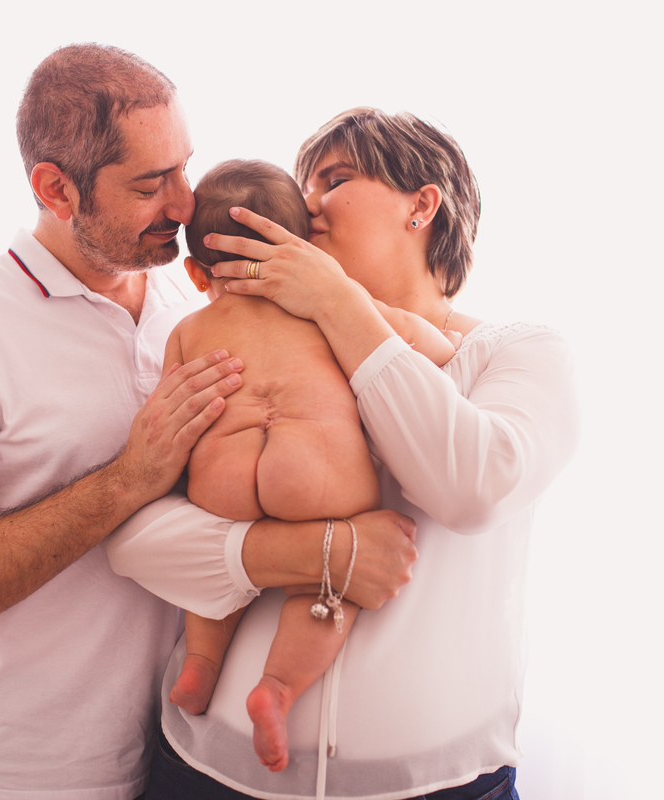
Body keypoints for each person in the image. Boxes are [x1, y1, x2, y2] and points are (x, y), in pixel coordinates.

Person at [106, 108, 580, 800]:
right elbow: (134, 540)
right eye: (304, 188)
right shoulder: (231, 341)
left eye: (335, 178)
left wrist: (338, 304)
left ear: (422, 204)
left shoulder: (519, 353)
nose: (308, 204)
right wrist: (319, 555)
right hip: (208, 770)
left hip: (435, 786)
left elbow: (471, 488)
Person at [0, 44, 251, 800]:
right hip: (35, 782)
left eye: (183, 168)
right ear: (56, 189)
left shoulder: (194, 307)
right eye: (151, 184)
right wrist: (127, 481)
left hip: (188, 769)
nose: (184, 204)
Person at [165, 159, 459, 772]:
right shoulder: (333, 308)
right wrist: (439, 339)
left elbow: (172, 416)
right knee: (327, 585)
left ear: (195, 272)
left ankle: (200, 665)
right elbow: (434, 347)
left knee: (214, 579)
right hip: (311, 467)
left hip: (223, 474)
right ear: (303, 249)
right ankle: (277, 688)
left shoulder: (191, 328)